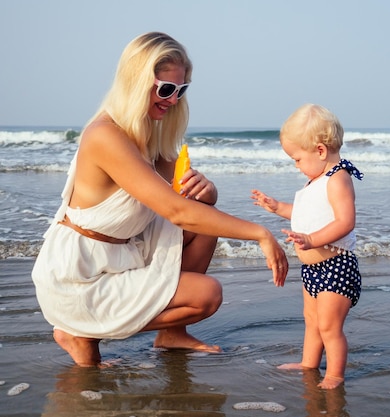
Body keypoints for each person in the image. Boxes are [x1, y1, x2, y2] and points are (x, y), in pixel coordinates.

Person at [31, 32, 288, 367]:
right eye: (166, 89)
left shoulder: (150, 131)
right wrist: (260, 234)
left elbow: (189, 203)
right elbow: (177, 211)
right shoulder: (105, 135)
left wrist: (208, 192)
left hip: (122, 252)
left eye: (181, 90)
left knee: (206, 221)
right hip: (82, 276)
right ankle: (81, 332)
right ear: (136, 82)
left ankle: (172, 334)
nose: (173, 99)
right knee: (206, 294)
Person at [251, 104, 363, 389]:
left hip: (336, 266)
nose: (296, 165)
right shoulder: (314, 181)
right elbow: (306, 214)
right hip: (312, 270)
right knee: (311, 321)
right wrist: (276, 207)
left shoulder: (338, 179)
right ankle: (308, 363)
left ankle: (335, 374)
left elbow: (345, 221)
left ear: (321, 151)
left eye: (297, 158)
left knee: (329, 326)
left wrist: (311, 240)